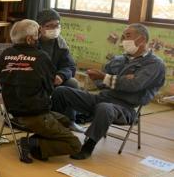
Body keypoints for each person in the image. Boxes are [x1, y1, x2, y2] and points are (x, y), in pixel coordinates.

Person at [52, 24, 166, 160]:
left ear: (141, 39)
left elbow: (134, 85)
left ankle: (88, 146)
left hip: (126, 108)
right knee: (62, 91)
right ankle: (57, 133)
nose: (123, 39)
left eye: (127, 36)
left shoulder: (155, 64)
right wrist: (115, 80)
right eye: (123, 36)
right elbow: (101, 82)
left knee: (105, 108)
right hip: (102, 97)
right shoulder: (119, 59)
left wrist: (107, 78)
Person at [0, 20, 82, 163]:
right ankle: (32, 144)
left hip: (12, 111)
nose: (39, 37)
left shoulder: (6, 53)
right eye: (37, 34)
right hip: (35, 114)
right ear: (30, 39)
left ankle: (37, 142)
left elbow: (0, 78)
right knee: (75, 145)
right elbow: (49, 87)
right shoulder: (41, 57)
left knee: (65, 121)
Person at [36, 9, 79, 89]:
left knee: (72, 83)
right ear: (40, 27)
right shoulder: (32, 41)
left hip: (53, 80)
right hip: (34, 79)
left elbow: (70, 66)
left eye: (57, 25)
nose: (55, 28)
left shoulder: (60, 43)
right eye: (50, 25)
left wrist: (61, 75)